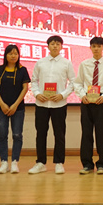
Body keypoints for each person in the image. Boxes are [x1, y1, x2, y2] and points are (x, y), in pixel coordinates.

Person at [29, 35, 76, 174]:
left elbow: (73, 82)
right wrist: (37, 94)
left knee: (59, 134)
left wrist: (63, 95)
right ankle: (40, 162)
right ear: (48, 46)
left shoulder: (66, 63)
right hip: (41, 104)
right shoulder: (40, 62)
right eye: (52, 44)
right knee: (41, 134)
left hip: (59, 104)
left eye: (57, 44)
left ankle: (59, 162)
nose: (55, 46)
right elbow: (34, 81)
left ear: (61, 46)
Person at [74, 37, 103, 175]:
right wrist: (82, 96)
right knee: (86, 133)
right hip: (86, 101)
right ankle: (87, 164)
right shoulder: (84, 64)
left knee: (101, 134)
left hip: (101, 101)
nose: (96, 48)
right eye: (94, 46)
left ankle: (102, 164)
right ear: (90, 48)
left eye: (99, 46)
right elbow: (78, 83)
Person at [0, 44, 30, 174]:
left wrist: (15, 105)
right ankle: (4, 162)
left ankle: (14, 162)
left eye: (15, 53)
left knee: (17, 135)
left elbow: (25, 88)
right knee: (2, 134)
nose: (13, 56)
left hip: (18, 109)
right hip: (1, 108)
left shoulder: (22, 70)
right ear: (6, 55)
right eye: (10, 53)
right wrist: (2, 104)